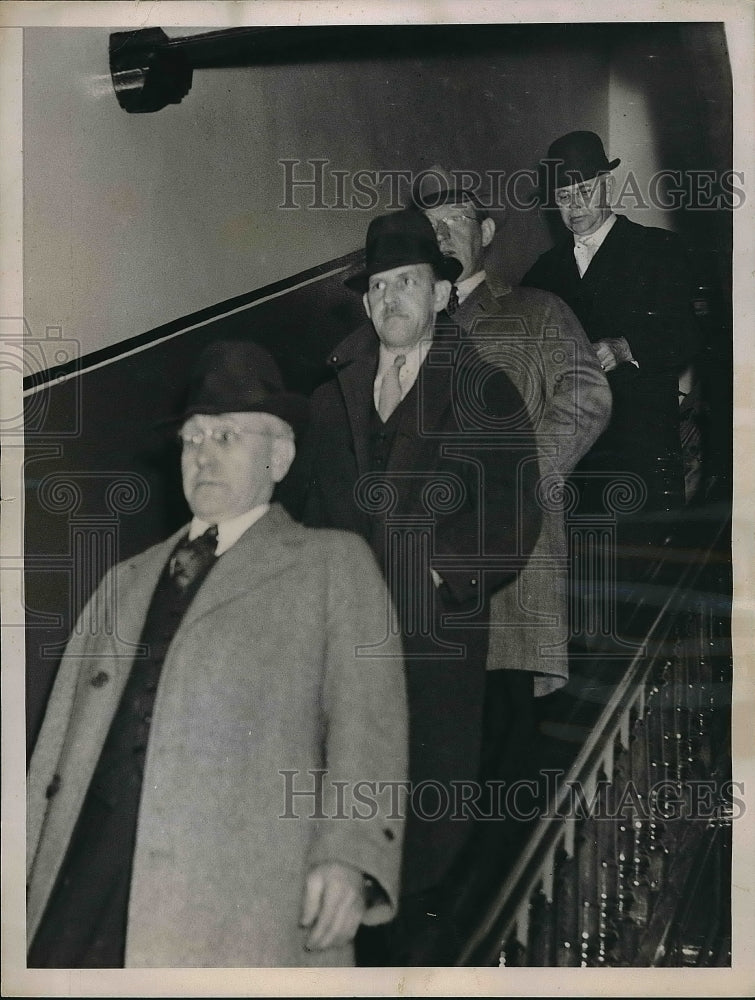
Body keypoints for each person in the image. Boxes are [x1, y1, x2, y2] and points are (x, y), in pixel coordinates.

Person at [26, 340, 408, 969]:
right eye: (193, 439)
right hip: (85, 873)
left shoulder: (332, 564)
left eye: (227, 437)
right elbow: (54, 753)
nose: (203, 455)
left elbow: (369, 730)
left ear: (279, 457)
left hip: (237, 889)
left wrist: (350, 854)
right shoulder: (124, 580)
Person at [285, 209, 542, 962]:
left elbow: (512, 512)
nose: (390, 298)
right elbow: (305, 508)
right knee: (351, 772)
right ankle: (356, 916)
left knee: (430, 778)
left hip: (431, 627)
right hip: (344, 630)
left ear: (440, 294)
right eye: (378, 287)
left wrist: (439, 572)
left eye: (408, 282)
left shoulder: (483, 390)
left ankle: (424, 931)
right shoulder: (331, 394)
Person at [411, 167, 611, 777]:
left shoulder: (536, 311)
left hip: (513, 558)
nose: (443, 236)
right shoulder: (403, 324)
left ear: (488, 231)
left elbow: (587, 396)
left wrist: (521, 477)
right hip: (428, 565)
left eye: (456, 223)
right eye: (431, 227)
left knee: (505, 745)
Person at [522, 130, 701, 520]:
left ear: (608, 185)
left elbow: (688, 335)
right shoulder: (542, 272)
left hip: (642, 445)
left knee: (648, 563)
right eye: (564, 197)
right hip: (574, 456)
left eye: (584, 191)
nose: (575, 206)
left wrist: (624, 348)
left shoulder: (659, 249)